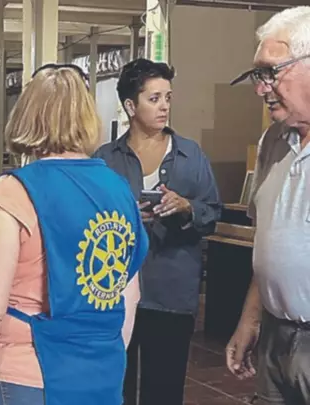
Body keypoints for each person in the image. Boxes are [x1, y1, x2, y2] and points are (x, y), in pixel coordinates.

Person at [0, 65, 148, 405]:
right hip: (101, 371)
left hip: (29, 374)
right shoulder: (119, 190)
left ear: (27, 116)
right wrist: (101, 360)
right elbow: (128, 296)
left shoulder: (13, 192)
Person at [94, 58, 222, 405]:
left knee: (164, 390)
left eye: (168, 97)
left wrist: (186, 207)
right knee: (115, 388)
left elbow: (212, 213)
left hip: (172, 293)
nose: (164, 106)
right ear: (130, 106)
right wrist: (125, 217)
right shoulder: (105, 159)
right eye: (154, 98)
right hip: (116, 292)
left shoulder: (190, 155)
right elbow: (90, 221)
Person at [225, 7, 310, 405]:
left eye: (270, 72)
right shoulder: (272, 142)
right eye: (257, 75)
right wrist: (250, 319)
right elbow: (269, 242)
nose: (261, 89)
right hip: (276, 337)